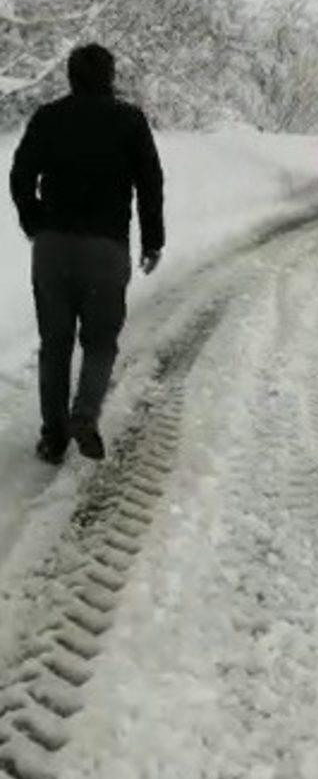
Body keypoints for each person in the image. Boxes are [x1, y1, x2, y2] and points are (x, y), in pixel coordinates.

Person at [9, 43, 165, 465]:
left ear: (70, 76)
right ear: (110, 77)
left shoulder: (49, 117)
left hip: (53, 249)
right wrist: (152, 240)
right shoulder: (130, 121)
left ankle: (53, 437)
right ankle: (85, 413)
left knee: (54, 344)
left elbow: (20, 175)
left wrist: (35, 223)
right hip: (105, 250)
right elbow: (150, 184)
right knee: (100, 342)